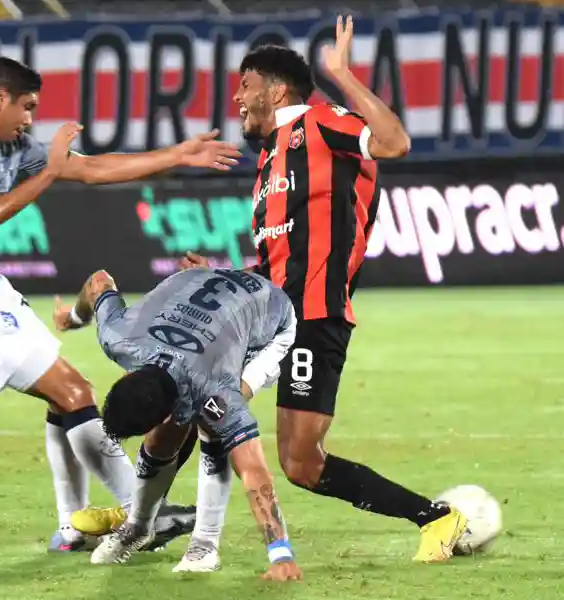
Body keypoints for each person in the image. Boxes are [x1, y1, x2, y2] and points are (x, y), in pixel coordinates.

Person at [75, 16, 467, 562]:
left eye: (245, 86)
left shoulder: (321, 121)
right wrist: (222, 273)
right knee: (182, 401)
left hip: (314, 315)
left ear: (277, 90)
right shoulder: (270, 162)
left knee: (301, 462)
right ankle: (142, 518)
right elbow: (276, 262)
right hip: (269, 316)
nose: (236, 98)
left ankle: (437, 519)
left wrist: (342, 76)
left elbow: (395, 141)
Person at [0, 56, 241, 552]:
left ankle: (71, 528)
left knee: (62, 396)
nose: (30, 120)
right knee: (74, 392)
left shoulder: (11, 147)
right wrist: (50, 174)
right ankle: (142, 517)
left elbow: (90, 169)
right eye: (27, 107)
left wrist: (176, 156)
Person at [52, 267, 302, 580]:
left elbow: (252, 467)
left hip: (269, 316)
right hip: (198, 285)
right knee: (162, 439)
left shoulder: (214, 387)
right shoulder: (119, 337)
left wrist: (281, 553)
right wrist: (75, 317)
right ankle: (138, 527)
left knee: (213, 426)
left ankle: (205, 545)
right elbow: (99, 281)